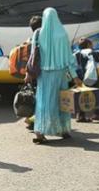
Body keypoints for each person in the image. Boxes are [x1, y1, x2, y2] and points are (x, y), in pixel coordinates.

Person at [25, 8, 82, 144]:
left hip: (43, 75)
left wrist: (28, 73)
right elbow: (68, 58)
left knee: (44, 102)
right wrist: (75, 76)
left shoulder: (38, 34)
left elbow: (33, 56)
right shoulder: (62, 34)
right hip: (60, 74)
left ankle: (39, 133)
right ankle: (63, 130)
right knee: (62, 102)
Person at [74, 38, 99, 123]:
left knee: (81, 95)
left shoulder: (76, 53)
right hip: (92, 77)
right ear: (88, 45)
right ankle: (97, 114)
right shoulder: (92, 52)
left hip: (80, 78)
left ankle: (80, 115)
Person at [23, 15, 42, 131]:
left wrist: (27, 73)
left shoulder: (28, 41)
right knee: (38, 98)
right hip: (38, 72)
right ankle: (33, 121)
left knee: (31, 96)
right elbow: (34, 57)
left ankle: (29, 119)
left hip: (30, 72)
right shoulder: (38, 39)